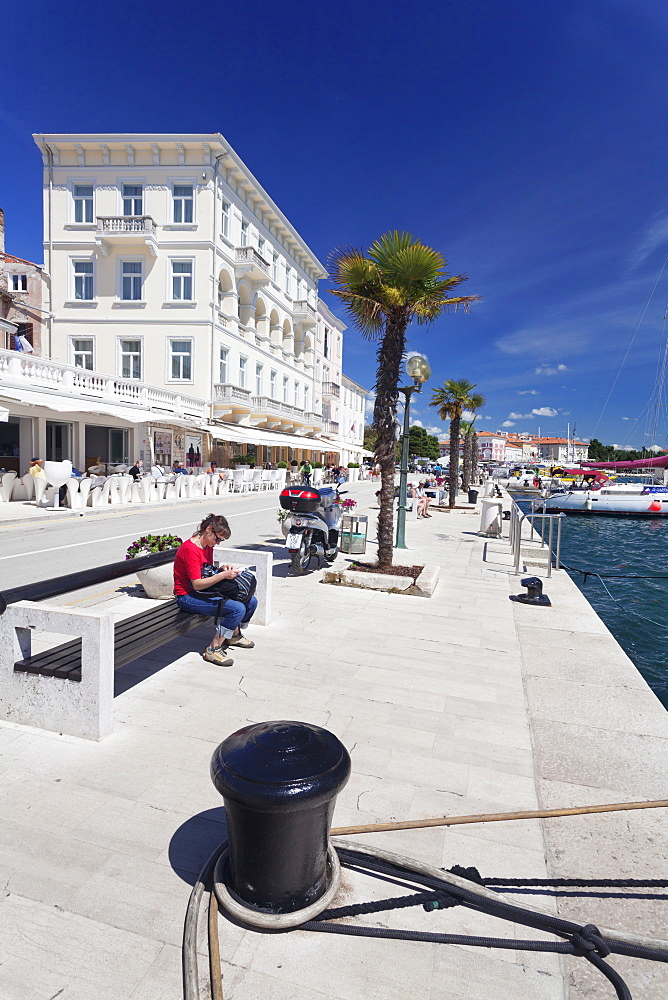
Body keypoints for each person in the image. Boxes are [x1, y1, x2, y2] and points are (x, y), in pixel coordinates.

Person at [173, 513, 258, 667]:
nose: (218, 543)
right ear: (208, 529)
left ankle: (234, 635)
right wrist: (224, 575)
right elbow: (197, 584)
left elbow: (206, 571)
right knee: (237, 609)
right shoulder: (190, 549)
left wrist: (222, 570)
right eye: (217, 538)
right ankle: (212, 649)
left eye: (221, 540)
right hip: (187, 596)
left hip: (203, 591)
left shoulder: (206, 545)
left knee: (251, 601)